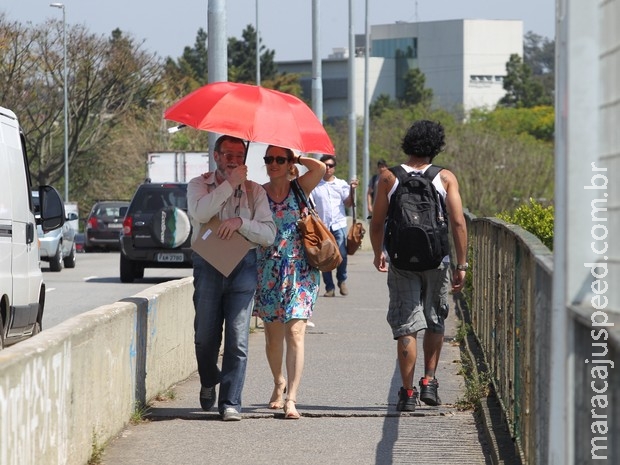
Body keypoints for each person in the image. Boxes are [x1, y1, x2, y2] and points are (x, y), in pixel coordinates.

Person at [369, 120, 468, 411]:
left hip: (401, 260)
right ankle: (429, 382)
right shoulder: (445, 177)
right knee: (435, 318)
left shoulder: (389, 177)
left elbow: (377, 223)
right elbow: (459, 222)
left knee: (406, 325)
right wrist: (461, 263)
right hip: (437, 260)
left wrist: (379, 253)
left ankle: (408, 393)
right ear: (436, 146)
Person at [187, 135, 276, 421]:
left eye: (239, 154)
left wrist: (240, 223)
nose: (233, 159)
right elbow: (200, 212)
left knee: (238, 338)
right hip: (208, 263)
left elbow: (269, 233)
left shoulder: (255, 192)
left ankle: (231, 402)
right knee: (205, 337)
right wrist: (229, 185)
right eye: (228, 154)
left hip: (243, 265)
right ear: (216, 155)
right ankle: (208, 379)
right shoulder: (199, 184)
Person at [253, 147, 326, 419]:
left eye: (279, 159)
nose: (273, 164)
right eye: (269, 159)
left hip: (300, 270)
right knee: (273, 337)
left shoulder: (300, 188)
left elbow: (318, 168)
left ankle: (292, 399)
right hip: (268, 270)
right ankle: (278, 382)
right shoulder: (257, 193)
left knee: (295, 332)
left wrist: (298, 158)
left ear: (289, 163)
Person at [311, 155, 359, 297]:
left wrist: (352, 190)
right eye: (325, 165)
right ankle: (329, 287)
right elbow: (311, 205)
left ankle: (342, 280)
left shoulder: (341, 184)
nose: (328, 168)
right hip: (323, 226)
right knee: (326, 257)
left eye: (330, 165)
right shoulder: (315, 185)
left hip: (339, 224)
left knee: (342, 254)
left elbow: (348, 203)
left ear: (334, 168)